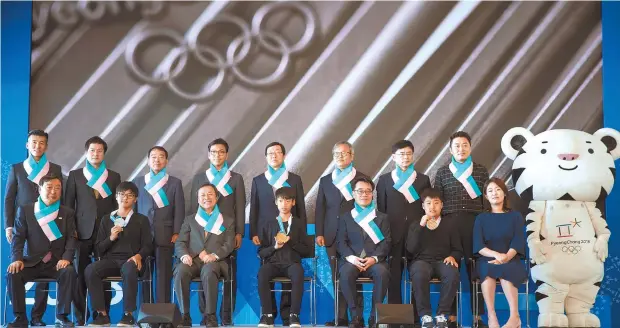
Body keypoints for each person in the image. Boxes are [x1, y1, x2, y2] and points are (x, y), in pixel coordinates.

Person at [3, 129, 64, 326]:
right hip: (25, 224)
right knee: (21, 267)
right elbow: (9, 199)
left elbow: (61, 197)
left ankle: (38, 317)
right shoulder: (17, 169)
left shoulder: (54, 168)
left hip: (50, 224)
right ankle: (21, 317)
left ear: (46, 146)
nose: (38, 146)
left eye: (41, 143)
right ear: (27, 145)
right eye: (34, 142)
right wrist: (8, 226)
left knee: (45, 266)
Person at [434, 131, 489, 328]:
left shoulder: (481, 171)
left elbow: (486, 199)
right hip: (449, 226)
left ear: (470, 147)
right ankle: (450, 317)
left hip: (475, 224)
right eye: (456, 145)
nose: (461, 148)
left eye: (464, 145)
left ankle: (478, 317)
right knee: (451, 270)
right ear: (450, 150)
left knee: (476, 270)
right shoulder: (442, 172)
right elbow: (437, 201)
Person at [7, 174, 77, 328]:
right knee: (13, 273)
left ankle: (62, 316)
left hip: (56, 263)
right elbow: (18, 238)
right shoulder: (26, 210)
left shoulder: (67, 213)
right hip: (32, 262)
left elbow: (72, 238)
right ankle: (20, 318)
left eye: (57, 188)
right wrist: (16, 258)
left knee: (69, 271)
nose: (54, 191)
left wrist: (66, 257)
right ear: (39, 189)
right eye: (49, 187)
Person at [249, 142, 307, 325]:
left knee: (291, 276)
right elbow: (254, 208)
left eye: (277, 152)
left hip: (291, 232)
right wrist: (253, 232)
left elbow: (302, 210)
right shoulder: (259, 180)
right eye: (270, 153)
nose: (274, 155)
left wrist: (299, 232)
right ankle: (269, 315)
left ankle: (288, 315)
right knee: (267, 273)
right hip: (266, 233)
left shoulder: (295, 179)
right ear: (266, 157)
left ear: (284, 155)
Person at [65, 136, 121, 325]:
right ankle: (80, 318)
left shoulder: (113, 177)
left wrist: (115, 229)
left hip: (105, 235)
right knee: (80, 276)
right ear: (86, 153)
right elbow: (68, 206)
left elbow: (117, 207)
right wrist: (71, 230)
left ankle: (101, 315)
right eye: (92, 150)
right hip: (80, 233)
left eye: (99, 151)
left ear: (104, 153)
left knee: (102, 276)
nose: (95, 154)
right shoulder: (75, 175)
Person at [189, 138, 245, 325]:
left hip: (226, 235)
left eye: (221, 152)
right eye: (213, 152)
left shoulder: (235, 178)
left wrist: (239, 233)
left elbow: (240, 206)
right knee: (205, 272)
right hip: (203, 237)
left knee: (230, 277)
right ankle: (207, 315)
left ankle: (227, 316)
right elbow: (192, 209)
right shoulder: (199, 178)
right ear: (208, 155)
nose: (217, 155)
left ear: (227, 155)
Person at [85, 182, 153, 326]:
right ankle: (102, 315)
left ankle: (128, 315)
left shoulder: (142, 220)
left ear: (135, 199)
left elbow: (148, 245)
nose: (125, 198)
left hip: (132, 261)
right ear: (116, 197)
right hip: (110, 261)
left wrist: (139, 256)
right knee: (91, 270)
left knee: (128, 269)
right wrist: (110, 238)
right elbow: (98, 248)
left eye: (129, 195)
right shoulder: (106, 219)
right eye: (122, 194)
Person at [315, 141, 367, 326]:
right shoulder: (326, 180)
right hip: (330, 235)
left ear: (352, 156)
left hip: (354, 237)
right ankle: (340, 317)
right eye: (337, 153)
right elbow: (320, 208)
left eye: (344, 153)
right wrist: (319, 232)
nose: (340, 156)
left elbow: (367, 208)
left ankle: (357, 318)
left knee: (354, 276)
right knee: (337, 277)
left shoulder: (361, 179)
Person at [376, 140, 431, 315]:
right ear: (393, 157)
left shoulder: (423, 179)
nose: (405, 157)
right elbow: (382, 210)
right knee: (394, 278)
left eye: (408, 153)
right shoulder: (385, 180)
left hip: (418, 235)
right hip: (393, 235)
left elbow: (426, 207)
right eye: (401, 154)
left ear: (413, 155)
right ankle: (395, 317)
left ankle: (416, 316)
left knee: (418, 276)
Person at [174, 183, 235, 327]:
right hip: (193, 260)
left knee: (209, 271)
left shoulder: (227, 220)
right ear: (197, 199)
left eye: (210, 194)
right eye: (202, 195)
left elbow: (229, 245)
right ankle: (185, 315)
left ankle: (210, 316)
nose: (206, 198)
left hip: (215, 262)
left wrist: (214, 255)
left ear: (216, 197)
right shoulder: (190, 220)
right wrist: (183, 255)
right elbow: (180, 242)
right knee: (181, 271)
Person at [133, 146, 185, 304]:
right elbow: (133, 211)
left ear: (166, 161)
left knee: (163, 277)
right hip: (143, 237)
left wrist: (177, 232)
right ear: (148, 161)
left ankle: (163, 315)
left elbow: (180, 210)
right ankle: (147, 316)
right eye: (153, 157)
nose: (157, 160)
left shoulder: (175, 183)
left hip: (166, 235)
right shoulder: (138, 182)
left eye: (161, 156)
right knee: (145, 277)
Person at [337, 177, 391, 328]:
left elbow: (386, 242)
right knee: (345, 273)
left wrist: (374, 258)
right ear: (353, 194)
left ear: (372, 195)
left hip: (374, 262)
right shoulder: (345, 218)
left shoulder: (382, 218)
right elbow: (341, 242)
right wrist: (352, 258)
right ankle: (356, 317)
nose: (364, 194)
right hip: (352, 260)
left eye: (368, 191)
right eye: (360, 191)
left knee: (382, 273)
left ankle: (375, 317)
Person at [473, 178, 527, 328]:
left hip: (511, 258)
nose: (494, 193)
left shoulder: (515, 216)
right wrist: (496, 255)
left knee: (506, 269)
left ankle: (514, 317)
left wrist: (506, 257)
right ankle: (492, 317)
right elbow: (479, 246)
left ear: (504, 193)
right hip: (488, 258)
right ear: (486, 196)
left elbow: (518, 241)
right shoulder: (481, 218)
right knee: (487, 269)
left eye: (497, 189)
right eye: (490, 190)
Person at [406, 189, 462, 328]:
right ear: (423, 206)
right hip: (421, 261)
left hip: (443, 260)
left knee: (452, 272)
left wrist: (453, 256)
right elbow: (410, 250)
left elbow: (458, 249)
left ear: (442, 205)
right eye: (428, 203)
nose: (432, 206)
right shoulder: (415, 224)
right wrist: (421, 226)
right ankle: (425, 316)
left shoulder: (450, 224)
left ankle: (442, 315)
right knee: (419, 273)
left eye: (436, 203)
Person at [257, 187, 311, 328]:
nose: (284, 204)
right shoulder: (269, 224)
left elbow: (306, 250)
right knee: (262, 273)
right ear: (276, 202)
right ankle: (267, 315)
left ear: (293, 202)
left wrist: (291, 242)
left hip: (292, 263)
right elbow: (261, 252)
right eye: (281, 200)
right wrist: (274, 247)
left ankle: (294, 316)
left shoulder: (298, 224)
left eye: (287, 201)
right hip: (273, 263)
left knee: (298, 273)